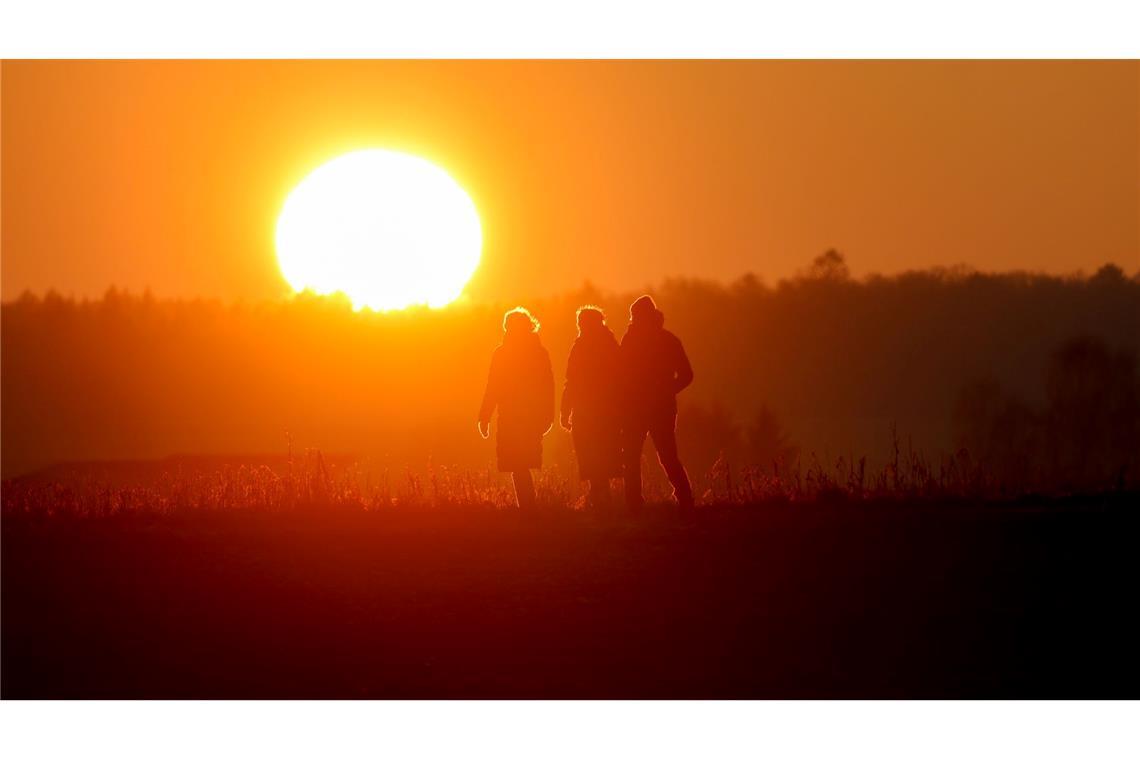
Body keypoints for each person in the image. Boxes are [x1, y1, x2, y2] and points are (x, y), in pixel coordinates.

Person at [620, 295, 694, 512]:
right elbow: (687, 376)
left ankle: (637, 507)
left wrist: (666, 390)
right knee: (649, 457)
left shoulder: (636, 340)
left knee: (649, 457)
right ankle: (682, 502)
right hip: (650, 408)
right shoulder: (667, 340)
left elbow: (687, 375)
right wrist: (668, 390)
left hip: (649, 409)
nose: (634, 320)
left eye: (637, 316)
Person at [478, 307, 555, 509]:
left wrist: (484, 416)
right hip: (529, 418)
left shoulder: (503, 353)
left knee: (517, 464)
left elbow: (492, 386)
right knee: (519, 464)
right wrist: (548, 416)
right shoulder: (538, 352)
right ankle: (528, 509)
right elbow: (548, 386)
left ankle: (528, 510)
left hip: (514, 419)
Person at [560, 306, 624, 509]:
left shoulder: (580, 346)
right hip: (607, 411)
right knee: (602, 452)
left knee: (590, 452)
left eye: (581, 322)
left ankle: (599, 498)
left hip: (588, 410)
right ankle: (600, 496)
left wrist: (565, 409)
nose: (580, 326)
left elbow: (571, 380)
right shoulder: (611, 343)